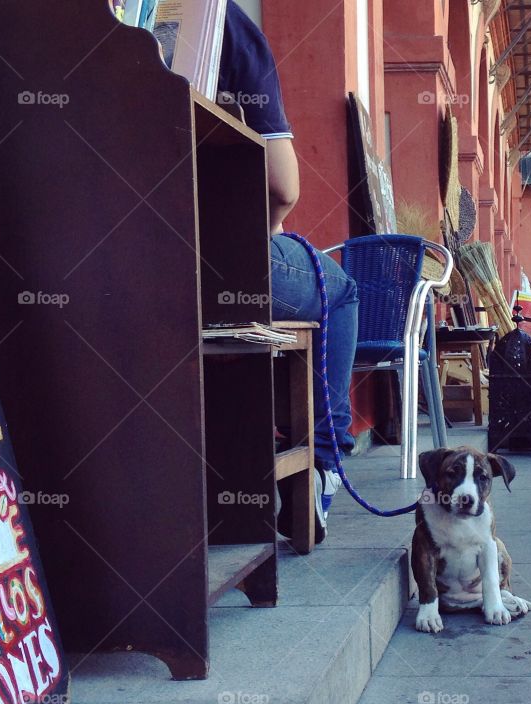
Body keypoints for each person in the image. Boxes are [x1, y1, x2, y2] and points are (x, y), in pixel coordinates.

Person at [217, 1, 359, 545]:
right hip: (211, 259)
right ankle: (321, 466)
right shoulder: (224, 26)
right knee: (339, 291)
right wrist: (267, 231)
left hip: (95, 266)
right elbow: (283, 187)